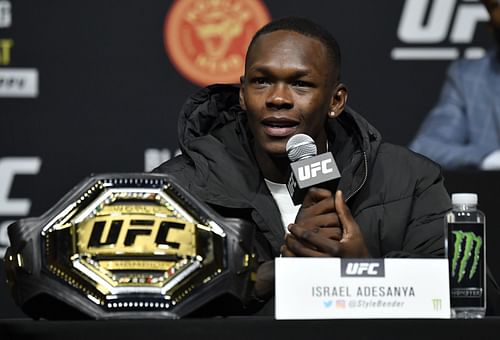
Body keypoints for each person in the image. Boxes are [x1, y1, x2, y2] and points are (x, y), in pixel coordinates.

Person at [155, 17, 498, 314]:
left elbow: (478, 299)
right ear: (242, 94)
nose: (278, 98)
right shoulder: (178, 189)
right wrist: (273, 276)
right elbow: (143, 304)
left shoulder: (409, 179)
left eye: (300, 84)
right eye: (262, 81)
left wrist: (366, 270)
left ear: (336, 101)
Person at [409, 0, 500, 170]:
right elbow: (425, 148)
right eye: (495, 6)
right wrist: (491, 158)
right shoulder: (469, 77)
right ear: (489, 23)